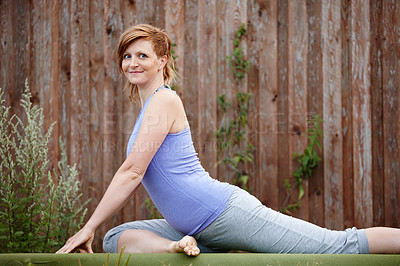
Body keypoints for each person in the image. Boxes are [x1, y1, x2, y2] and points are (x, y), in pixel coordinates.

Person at [56, 24, 400, 256]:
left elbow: (132, 171)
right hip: (189, 227)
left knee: (339, 245)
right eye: (127, 56)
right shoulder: (150, 105)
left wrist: (87, 226)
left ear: (162, 61)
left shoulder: (164, 99)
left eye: (142, 55)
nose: (132, 63)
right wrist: (98, 230)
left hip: (222, 213)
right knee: (118, 238)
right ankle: (178, 247)